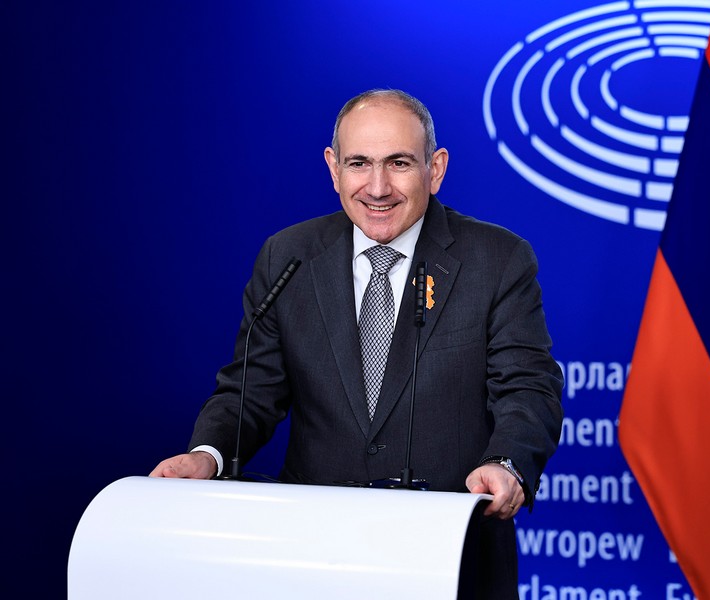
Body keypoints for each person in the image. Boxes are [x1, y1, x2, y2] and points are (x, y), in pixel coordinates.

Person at [151, 89, 563, 598]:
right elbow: (250, 391)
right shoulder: (288, 257)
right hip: (313, 556)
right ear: (333, 168)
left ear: (435, 169)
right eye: (359, 163)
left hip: (449, 555)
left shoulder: (497, 259)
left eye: (399, 163)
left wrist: (506, 464)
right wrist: (207, 454)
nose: (378, 187)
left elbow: (527, 388)